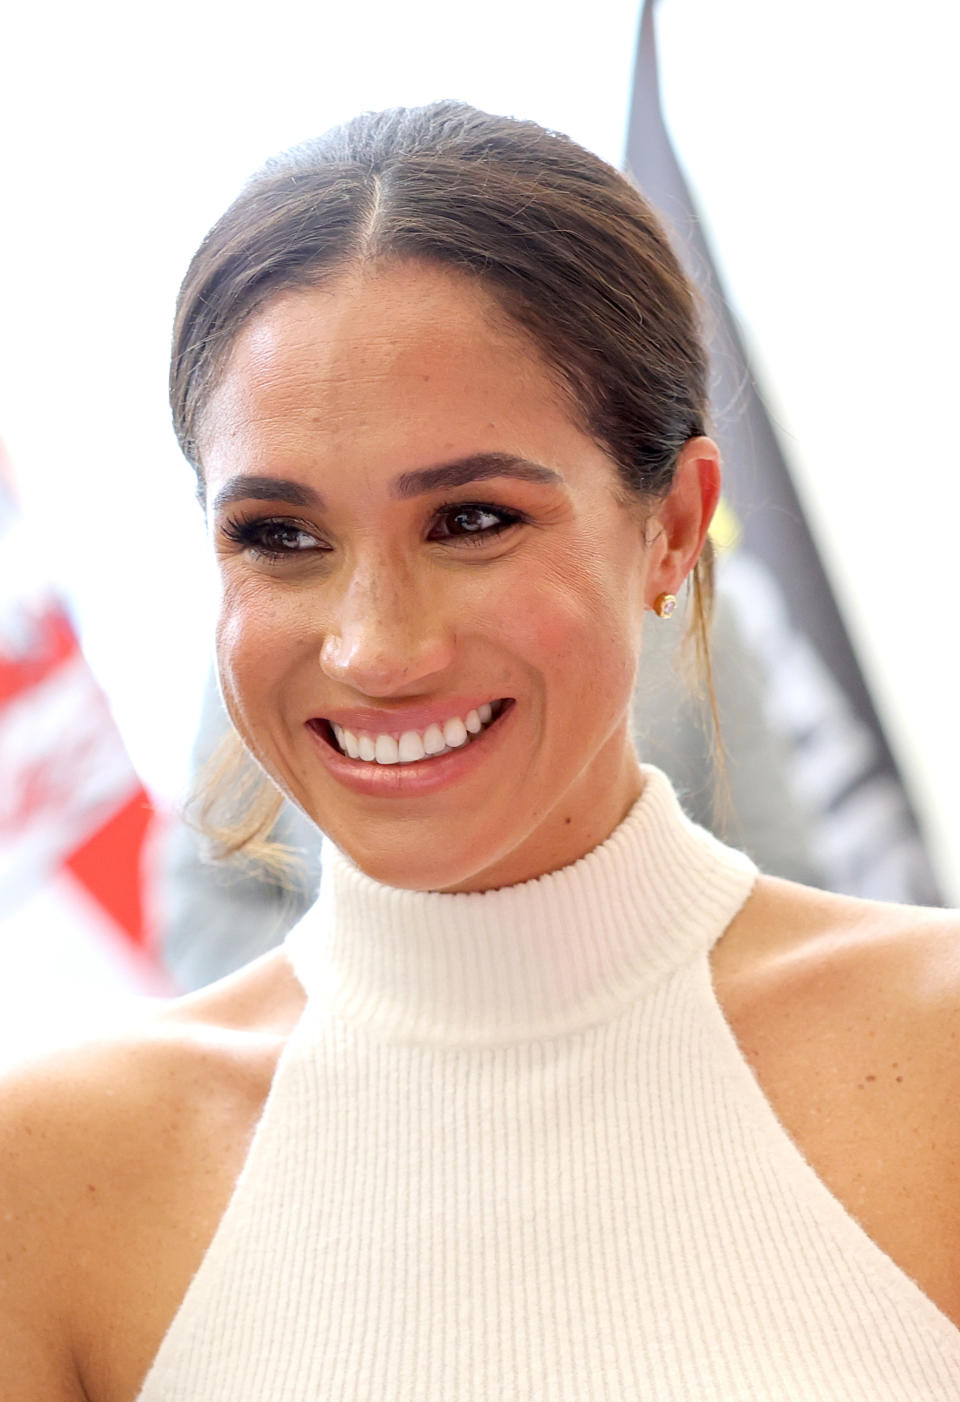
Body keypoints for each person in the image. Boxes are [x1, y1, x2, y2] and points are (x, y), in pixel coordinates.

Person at [2, 102, 959, 1401]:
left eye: (471, 517)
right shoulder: (52, 1180)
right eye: (281, 535)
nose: (375, 648)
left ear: (675, 524)